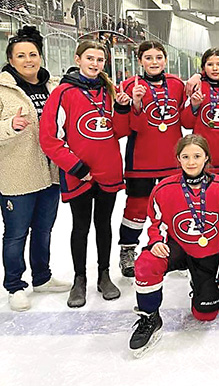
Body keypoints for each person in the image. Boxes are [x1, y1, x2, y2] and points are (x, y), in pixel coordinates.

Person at [40, 40, 132, 308]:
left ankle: (104, 275)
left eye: (100, 60)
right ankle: (79, 279)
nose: (95, 64)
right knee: (80, 227)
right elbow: (49, 138)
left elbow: (119, 131)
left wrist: (123, 108)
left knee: (104, 225)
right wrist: (75, 166)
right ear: (78, 59)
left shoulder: (109, 90)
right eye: (90, 58)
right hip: (79, 173)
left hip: (107, 171)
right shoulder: (63, 92)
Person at [129, 135, 219, 358]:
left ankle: (199, 280)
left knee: (205, 314)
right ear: (178, 159)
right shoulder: (164, 188)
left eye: (197, 156)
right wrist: (157, 241)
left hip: (210, 252)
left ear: (206, 157)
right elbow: (156, 222)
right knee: (147, 262)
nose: (191, 162)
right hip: (178, 246)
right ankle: (150, 316)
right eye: (186, 157)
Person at [0, 26, 70, 311]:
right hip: (17, 174)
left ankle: (42, 277)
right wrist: (9, 126)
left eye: (33, 54)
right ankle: (15, 285)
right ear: (11, 59)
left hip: (51, 173)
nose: (28, 59)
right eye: (21, 55)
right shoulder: (3, 90)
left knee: (43, 230)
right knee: (16, 234)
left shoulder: (52, 86)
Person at [117, 41, 186, 278]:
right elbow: (128, 128)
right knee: (137, 207)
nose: (154, 62)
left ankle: (175, 249)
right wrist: (135, 103)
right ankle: (127, 249)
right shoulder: (129, 85)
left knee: (173, 206)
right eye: (148, 57)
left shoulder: (177, 85)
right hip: (141, 160)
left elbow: (186, 119)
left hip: (171, 159)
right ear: (140, 61)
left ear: (165, 60)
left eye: (158, 57)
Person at [182, 48, 219, 184]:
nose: (215, 68)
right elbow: (186, 123)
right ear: (203, 68)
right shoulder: (196, 86)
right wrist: (194, 105)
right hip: (202, 158)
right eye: (210, 65)